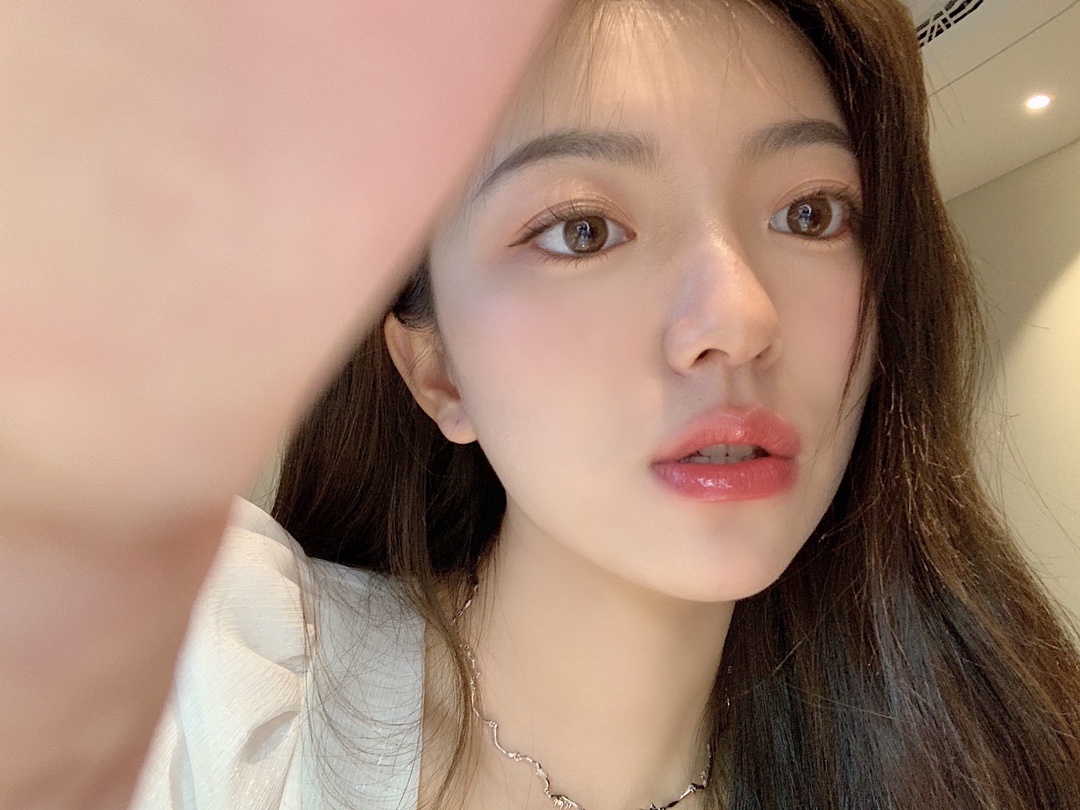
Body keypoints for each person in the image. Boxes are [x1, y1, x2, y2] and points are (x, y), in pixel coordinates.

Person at [5, 1, 1080, 809]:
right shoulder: (212, 685)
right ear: (438, 371)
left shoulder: (985, 756)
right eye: (582, 230)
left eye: (810, 212)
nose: (738, 317)